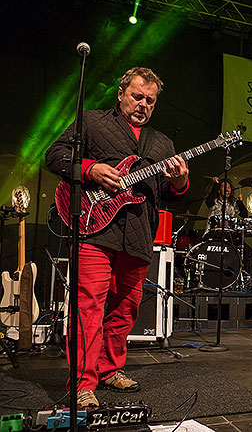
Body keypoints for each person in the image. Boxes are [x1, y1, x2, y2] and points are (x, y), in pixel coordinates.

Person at [45, 67, 189, 407]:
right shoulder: (93, 122)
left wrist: (181, 181)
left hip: (139, 236)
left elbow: (169, 192)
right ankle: (82, 382)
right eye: (137, 96)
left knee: (126, 309)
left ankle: (109, 369)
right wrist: (90, 169)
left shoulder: (162, 143)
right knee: (88, 307)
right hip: (95, 228)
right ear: (121, 93)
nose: (143, 104)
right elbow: (54, 156)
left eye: (150, 101)